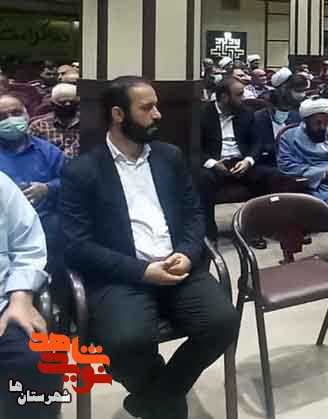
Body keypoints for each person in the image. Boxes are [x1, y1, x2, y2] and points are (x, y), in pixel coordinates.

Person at [60, 76, 239, 419]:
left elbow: (194, 215)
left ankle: (156, 399)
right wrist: (142, 271)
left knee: (223, 323)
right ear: (118, 114)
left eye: (156, 106)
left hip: (177, 265)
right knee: (124, 343)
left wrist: (187, 253)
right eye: (147, 108)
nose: (158, 114)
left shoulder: (169, 156)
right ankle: (164, 401)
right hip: (123, 275)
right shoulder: (82, 171)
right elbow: (77, 246)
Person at [0, 171, 61, 419]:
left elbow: (28, 246)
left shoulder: (1, 185)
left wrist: (21, 298)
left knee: (39, 361)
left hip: (4, 308)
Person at [195, 78, 272, 239]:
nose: (243, 98)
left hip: (240, 162)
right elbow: (193, 147)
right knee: (202, 179)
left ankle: (256, 229)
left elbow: (257, 142)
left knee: (271, 175)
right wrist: (212, 163)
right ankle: (209, 233)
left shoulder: (246, 112)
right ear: (224, 97)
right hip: (215, 163)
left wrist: (248, 161)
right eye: (239, 94)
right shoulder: (201, 113)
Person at [0, 95, 65, 262]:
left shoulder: (47, 151)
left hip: (43, 223)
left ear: (27, 114)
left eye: (16, 113)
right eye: (2, 117)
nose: (11, 120)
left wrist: (47, 188)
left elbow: (71, 181)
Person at [278, 99, 328, 221]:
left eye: (326, 122)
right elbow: (286, 166)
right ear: (306, 121)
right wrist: (323, 173)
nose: (322, 127)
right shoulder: (289, 136)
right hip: (314, 185)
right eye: (318, 123)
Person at [249, 68, 302, 171]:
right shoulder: (258, 118)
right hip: (268, 162)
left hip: (293, 160)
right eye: (280, 109)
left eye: (286, 110)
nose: (283, 113)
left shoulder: (296, 117)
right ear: (271, 106)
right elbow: (258, 147)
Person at [28, 82, 80, 159]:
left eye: (72, 102)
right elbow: (29, 154)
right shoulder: (38, 126)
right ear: (52, 104)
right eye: (63, 102)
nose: (68, 105)